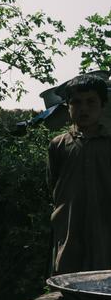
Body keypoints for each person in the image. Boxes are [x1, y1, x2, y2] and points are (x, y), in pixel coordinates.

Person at [47, 74, 111, 274]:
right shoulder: (58, 145)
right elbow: (52, 185)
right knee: (67, 277)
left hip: (105, 226)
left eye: (91, 102)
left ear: (103, 105)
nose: (83, 108)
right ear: (68, 106)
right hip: (69, 225)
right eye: (76, 102)